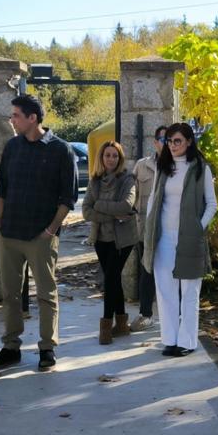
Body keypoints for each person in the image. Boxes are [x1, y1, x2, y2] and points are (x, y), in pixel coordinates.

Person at [0, 94, 76, 372]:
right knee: (10, 294)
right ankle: (11, 346)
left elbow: (68, 198)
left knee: (46, 294)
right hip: (10, 234)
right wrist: (0, 223)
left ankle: (47, 348)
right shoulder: (12, 147)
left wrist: (51, 230)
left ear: (32, 118)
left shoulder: (61, 150)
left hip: (41, 237)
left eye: (15, 115)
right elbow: (1, 189)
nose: (11, 120)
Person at [141, 122, 217, 357]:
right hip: (164, 238)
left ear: (189, 142)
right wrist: (149, 230)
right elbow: (153, 200)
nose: (172, 145)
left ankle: (187, 341)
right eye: (169, 141)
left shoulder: (200, 168)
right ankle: (171, 339)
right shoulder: (163, 167)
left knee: (190, 291)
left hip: (189, 239)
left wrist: (198, 228)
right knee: (165, 291)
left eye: (177, 141)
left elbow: (212, 204)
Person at [82, 140, 139, 344]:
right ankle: (122, 325)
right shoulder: (95, 180)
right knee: (113, 278)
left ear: (120, 158)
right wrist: (111, 214)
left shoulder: (127, 180)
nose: (111, 159)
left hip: (122, 239)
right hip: (100, 238)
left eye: (115, 155)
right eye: (107, 155)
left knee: (110, 279)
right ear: (101, 158)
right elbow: (86, 211)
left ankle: (106, 326)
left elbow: (126, 205)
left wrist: (99, 206)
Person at [129, 125, 165, 332]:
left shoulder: (179, 166)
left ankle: (174, 315)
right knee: (146, 272)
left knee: (172, 273)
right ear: (155, 141)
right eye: (162, 139)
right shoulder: (142, 166)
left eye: (171, 139)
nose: (166, 143)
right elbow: (132, 194)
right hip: (145, 229)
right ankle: (145, 314)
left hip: (169, 229)